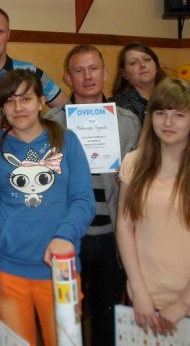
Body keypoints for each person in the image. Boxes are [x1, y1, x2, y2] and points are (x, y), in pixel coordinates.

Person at [0, 69, 95, 346]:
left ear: (41, 102)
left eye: (26, 99)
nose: (18, 107)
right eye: (10, 101)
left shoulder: (68, 141)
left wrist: (65, 235)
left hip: (60, 271)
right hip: (8, 274)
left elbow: (83, 200)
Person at [116, 77, 190, 336]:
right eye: (161, 113)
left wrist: (183, 304)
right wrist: (139, 292)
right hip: (143, 298)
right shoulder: (133, 163)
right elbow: (124, 227)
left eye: (179, 115)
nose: (168, 122)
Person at [45, 44, 140, 346]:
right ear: (68, 78)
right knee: (65, 315)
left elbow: (142, 180)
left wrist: (129, 175)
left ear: (105, 73)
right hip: (68, 234)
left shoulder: (128, 122)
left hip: (112, 234)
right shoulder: (51, 123)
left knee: (107, 316)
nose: (87, 76)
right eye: (79, 70)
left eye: (93, 68)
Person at [0, 6, 68, 129]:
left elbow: (67, 109)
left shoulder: (31, 71)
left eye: (0, 31)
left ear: (8, 34)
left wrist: (44, 129)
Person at [110, 42, 166, 126]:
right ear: (124, 73)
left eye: (147, 59)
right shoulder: (118, 106)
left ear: (156, 66)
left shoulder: (173, 96)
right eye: (133, 63)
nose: (142, 65)